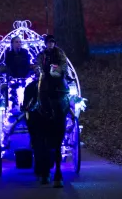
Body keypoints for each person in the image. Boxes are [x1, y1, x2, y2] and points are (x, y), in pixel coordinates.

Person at [33, 35, 70, 187]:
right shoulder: (42, 55)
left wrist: (59, 70)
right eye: (48, 43)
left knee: (64, 91)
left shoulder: (59, 53)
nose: (50, 45)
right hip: (46, 79)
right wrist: (43, 72)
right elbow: (37, 65)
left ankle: (65, 109)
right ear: (45, 44)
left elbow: (64, 64)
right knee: (40, 88)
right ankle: (37, 105)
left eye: (52, 42)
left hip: (57, 78)